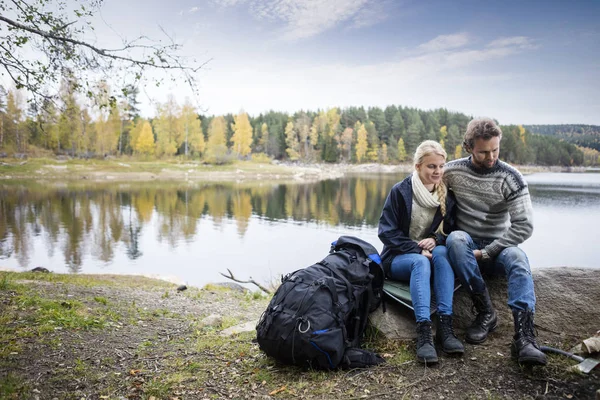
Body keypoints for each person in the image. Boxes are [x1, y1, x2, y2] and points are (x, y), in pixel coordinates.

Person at [443, 118, 546, 366]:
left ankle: (525, 337)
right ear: (468, 147)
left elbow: (524, 226)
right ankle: (486, 313)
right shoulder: (451, 172)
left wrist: (488, 252)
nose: (491, 157)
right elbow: (421, 187)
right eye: (484, 152)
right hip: (464, 245)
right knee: (456, 239)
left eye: (495, 150)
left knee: (519, 259)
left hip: (498, 247)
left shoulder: (510, 177)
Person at [378, 140, 463, 364]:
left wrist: (436, 239)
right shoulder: (401, 192)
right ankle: (424, 333)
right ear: (418, 166)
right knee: (420, 263)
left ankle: (445, 327)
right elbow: (385, 232)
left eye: (441, 166)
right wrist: (416, 248)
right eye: (431, 166)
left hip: (429, 255)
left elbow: (452, 231)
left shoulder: (447, 196)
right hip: (397, 259)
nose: (437, 171)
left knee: (443, 254)